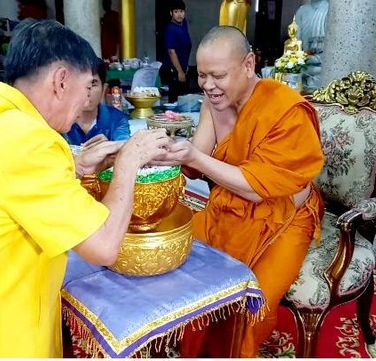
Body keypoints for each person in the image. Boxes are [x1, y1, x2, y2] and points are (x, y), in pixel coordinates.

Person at [0, 20, 171, 357]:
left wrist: (77, 163)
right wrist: (129, 163)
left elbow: (7, 180)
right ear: (61, 81)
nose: (86, 103)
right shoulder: (32, 141)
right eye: (86, 90)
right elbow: (103, 247)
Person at [156, 26, 324, 357]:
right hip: (227, 208)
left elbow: (257, 190)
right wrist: (172, 151)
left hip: (284, 219)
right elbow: (196, 160)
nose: (207, 85)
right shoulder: (213, 102)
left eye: (217, 75)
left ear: (248, 65)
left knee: (251, 305)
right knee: (179, 273)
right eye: (202, 75)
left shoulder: (285, 108)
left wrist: (194, 157)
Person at [65, 57, 130, 144]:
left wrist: (108, 147)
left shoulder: (118, 119)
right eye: (80, 84)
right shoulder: (59, 120)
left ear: (104, 89)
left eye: (93, 84)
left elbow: (123, 149)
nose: (86, 91)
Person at [161, 0, 192, 103]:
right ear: (171, 13)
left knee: (184, 98)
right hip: (173, 71)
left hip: (183, 67)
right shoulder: (170, 29)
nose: (179, 14)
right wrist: (180, 72)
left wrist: (185, 67)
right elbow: (171, 51)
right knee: (175, 100)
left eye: (181, 11)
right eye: (176, 12)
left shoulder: (184, 24)